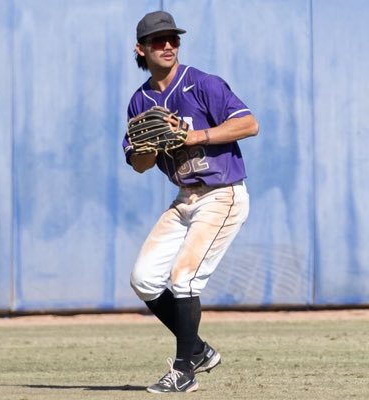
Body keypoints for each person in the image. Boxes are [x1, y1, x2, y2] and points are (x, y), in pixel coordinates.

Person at [122, 10, 259, 393]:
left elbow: (249, 124)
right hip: (185, 199)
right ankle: (197, 348)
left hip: (223, 194)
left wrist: (194, 136)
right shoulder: (140, 101)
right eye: (157, 41)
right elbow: (139, 164)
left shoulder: (202, 84)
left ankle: (184, 371)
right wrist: (148, 148)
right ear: (141, 49)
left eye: (173, 39)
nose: (167, 46)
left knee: (184, 278)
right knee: (145, 279)